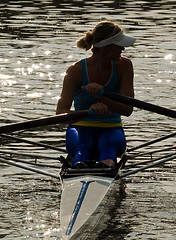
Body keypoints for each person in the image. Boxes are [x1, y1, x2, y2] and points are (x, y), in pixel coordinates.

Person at [56, 20, 135, 169]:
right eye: (119, 45)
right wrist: (87, 113)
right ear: (106, 47)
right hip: (80, 128)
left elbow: (127, 109)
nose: (123, 48)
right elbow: (61, 112)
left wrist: (102, 96)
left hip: (112, 128)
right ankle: (80, 171)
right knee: (84, 146)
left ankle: (103, 169)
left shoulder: (124, 66)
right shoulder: (75, 71)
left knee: (108, 144)